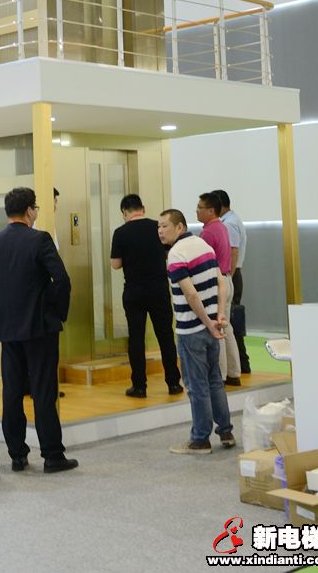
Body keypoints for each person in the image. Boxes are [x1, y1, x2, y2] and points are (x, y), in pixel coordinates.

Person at [0, 187, 77, 474]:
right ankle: (52, 455)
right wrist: (52, 312)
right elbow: (62, 280)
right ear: (30, 210)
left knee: (12, 392)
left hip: (7, 331)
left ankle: (17, 455)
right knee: (43, 391)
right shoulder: (40, 239)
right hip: (39, 328)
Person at [157, 208, 235, 454]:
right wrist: (218, 316)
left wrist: (208, 322)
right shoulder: (205, 246)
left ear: (180, 227)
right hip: (211, 326)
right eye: (158, 227)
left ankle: (200, 439)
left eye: (165, 226)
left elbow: (190, 294)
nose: (160, 231)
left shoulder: (176, 254)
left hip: (192, 330)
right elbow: (221, 282)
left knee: (197, 385)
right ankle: (226, 432)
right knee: (215, 381)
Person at [110, 194, 182, 399]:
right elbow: (169, 253)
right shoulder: (157, 228)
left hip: (134, 292)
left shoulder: (120, 232)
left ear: (124, 212)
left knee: (136, 338)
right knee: (165, 335)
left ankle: (139, 386)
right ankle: (173, 383)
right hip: (159, 289)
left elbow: (115, 264)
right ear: (143, 208)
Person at [197, 192, 241, 387]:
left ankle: (220, 375)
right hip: (227, 279)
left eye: (200, 207)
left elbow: (202, 261)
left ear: (211, 211)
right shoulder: (222, 227)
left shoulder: (208, 233)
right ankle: (234, 372)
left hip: (215, 284)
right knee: (226, 327)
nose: (197, 211)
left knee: (217, 328)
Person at [213, 189, 250, 374]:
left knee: (229, 322)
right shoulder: (232, 220)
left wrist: (228, 276)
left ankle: (239, 365)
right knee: (231, 321)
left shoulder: (229, 224)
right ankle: (240, 365)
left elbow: (233, 251)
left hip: (230, 274)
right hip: (231, 274)